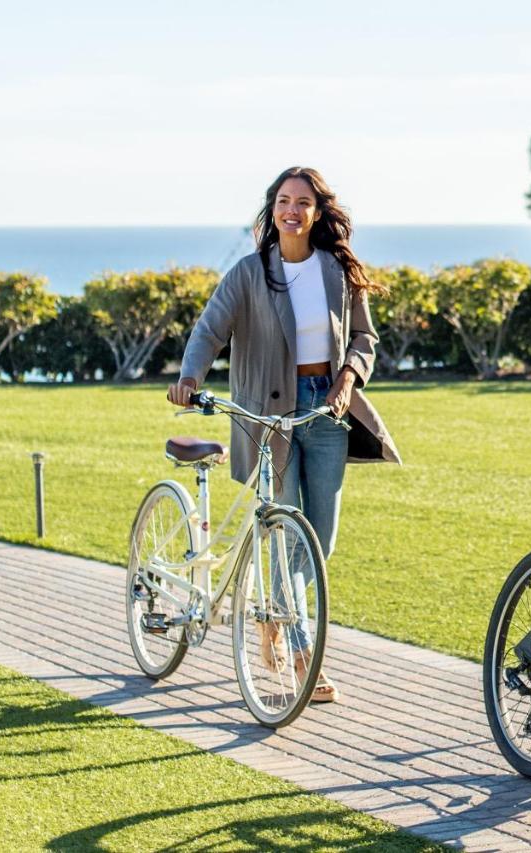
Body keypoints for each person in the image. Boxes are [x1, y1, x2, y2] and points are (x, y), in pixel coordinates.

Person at [168, 166, 401, 704]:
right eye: (282, 201)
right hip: (267, 413)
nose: (290, 210)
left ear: (317, 212)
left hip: (327, 411)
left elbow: (365, 337)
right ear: (272, 210)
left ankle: (273, 624)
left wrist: (347, 379)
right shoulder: (249, 274)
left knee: (317, 544)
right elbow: (209, 331)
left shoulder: (337, 273)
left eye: (302, 202)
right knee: (285, 528)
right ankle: (303, 657)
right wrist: (189, 378)